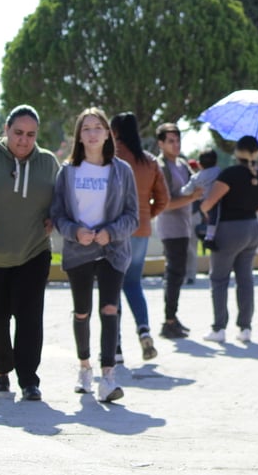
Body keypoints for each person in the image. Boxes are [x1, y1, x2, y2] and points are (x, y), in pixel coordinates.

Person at [0, 105, 60, 401]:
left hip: (34, 251)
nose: (24, 140)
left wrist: (54, 217)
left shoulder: (48, 163)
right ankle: (2, 370)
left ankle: (28, 380)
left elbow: (61, 199)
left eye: (31, 135)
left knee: (29, 316)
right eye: (18, 133)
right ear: (6, 130)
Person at [51, 107, 139, 402]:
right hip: (79, 251)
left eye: (97, 127)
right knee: (82, 311)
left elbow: (132, 216)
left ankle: (108, 377)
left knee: (110, 309)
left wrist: (110, 232)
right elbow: (58, 215)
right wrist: (75, 231)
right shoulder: (68, 171)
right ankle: (85, 367)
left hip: (112, 250)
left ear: (107, 134)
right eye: (85, 128)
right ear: (79, 135)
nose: (91, 133)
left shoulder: (121, 171)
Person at [110, 112, 170, 363]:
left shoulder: (111, 159)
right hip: (142, 231)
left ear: (116, 132)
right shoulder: (150, 161)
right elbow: (163, 199)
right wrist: (147, 215)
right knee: (134, 283)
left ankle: (116, 347)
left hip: (115, 231)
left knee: (112, 287)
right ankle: (144, 330)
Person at [199, 135, 258, 343]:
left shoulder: (229, 174)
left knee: (219, 279)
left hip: (229, 230)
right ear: (257, 152)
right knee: (245, 280)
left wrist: (201, 207)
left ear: (237, 151)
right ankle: (245, 328)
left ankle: (219, 328)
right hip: (252, 229)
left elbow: (208, 204)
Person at [155, 122, 203, 339]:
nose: (176, 145)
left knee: (179, 272)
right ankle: (169, 321)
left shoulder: (183, 165)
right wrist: (190, 198)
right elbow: (164, 203)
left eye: (178, 140)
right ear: (161, 143)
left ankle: (172, 317)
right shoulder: (161, 166)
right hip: (170, 227)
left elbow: (194, 185)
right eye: (171, 141)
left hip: (184, 226)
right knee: (174, 273)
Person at [182, 148, 221, 260]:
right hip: (216, 200)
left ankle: (208, 237)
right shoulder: (218, 172)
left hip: (202, 203)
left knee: (209, 219)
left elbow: (186, 191)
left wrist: (182, 191)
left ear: (199, 164)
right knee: (215, 218)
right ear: (216, 161)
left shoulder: (196, 177)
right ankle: (209, 238)